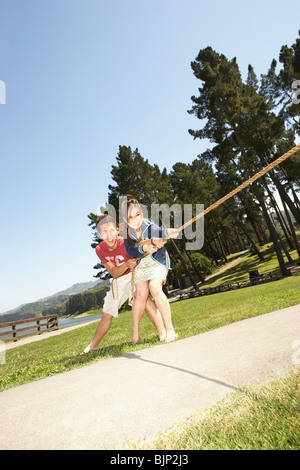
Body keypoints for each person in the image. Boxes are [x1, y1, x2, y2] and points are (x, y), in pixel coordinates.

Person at [81, 214, 165, 354]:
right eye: (104, 232)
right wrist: (126, 264)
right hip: (118, 280)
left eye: (112, 230)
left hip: (134, 275)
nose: (109, 235)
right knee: (107, 313)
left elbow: (141, 243)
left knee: (143, 298)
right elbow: (113, 272)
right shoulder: (100, 249)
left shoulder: (126, 242)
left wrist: (153, 241)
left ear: (118, 229)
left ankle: (162, 332)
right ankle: (93, 345)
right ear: (99, 234)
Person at [121, 196, 178, 344]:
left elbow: (160, 232)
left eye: (137, 215)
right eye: (130, 217)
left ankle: (170, 328)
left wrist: (168, 233)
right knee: (141, 294)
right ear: (125, 220)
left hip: (157, 262)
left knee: (154, 287)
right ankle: (137, 330)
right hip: (141, 265)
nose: (135, 220)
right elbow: (132, 250)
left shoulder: (149, 225)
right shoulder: (127, 234)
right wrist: (145, 247)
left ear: (142, 213)